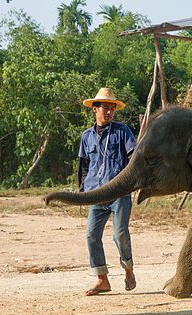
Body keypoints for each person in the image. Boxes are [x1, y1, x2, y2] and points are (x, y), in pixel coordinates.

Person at [78, 87, 137, 296]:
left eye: (112, 108)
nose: (109, 112)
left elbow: (133, 158)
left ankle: (128, 269)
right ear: (95, 109)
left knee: (119, 234)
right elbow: (84, 165)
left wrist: (132, 183)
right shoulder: (86, 136)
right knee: (91, 236)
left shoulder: (122, 131)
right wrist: (82, 191)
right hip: (96, 192)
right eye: (105, 107)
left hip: (119, 191)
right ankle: (102, 280)